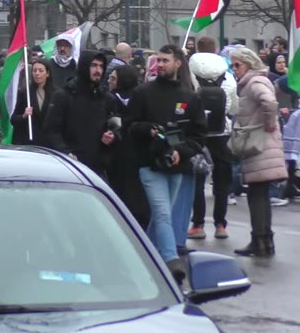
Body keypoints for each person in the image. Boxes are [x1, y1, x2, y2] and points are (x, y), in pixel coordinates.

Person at [125, 44, 205, 277]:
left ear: (177, 64)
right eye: (158, 60)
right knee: (161, 213)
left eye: (165, 61)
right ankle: (171, 260)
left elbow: (199, 136)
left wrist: (181, 150)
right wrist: (148, 129)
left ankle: (143, 255)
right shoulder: (143, 92)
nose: (159, 64)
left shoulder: (189, 97)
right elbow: (129, 126)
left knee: (163, 216)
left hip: (176, 166)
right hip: (149, 164)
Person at [228, 47, 287, 257]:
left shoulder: (254, 82)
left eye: (238, 65)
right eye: (232, 65)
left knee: (257, 195)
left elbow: (270, 102)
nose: (234, 69)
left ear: (249, 64)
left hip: (260, 144)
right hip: (259, 144)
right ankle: (263, 241)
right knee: (257, 194)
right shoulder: (251, 82)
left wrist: (269, 123)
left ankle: (260, 241)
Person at [187, 49, 237, 241]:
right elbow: (234, 107)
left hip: (199, 133)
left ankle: (198, 224)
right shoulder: (228, 80)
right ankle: (220, 224)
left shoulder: (192, 78)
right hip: (221, 133)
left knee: (198, 179)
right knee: (222, 181)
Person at [43, 51, 116, 177]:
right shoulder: (64, 95)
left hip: (98, 168)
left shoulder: (107, 98)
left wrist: (111, 135)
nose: (98, 70)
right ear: (84, 66)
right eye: (93, 65)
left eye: (101, 66)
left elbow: (115, 125)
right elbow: (52, 130)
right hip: (70, 166)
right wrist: (66, 153)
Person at [105, 65, 150, 229]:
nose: (109, 81)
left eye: (114, 78)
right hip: (116, 157)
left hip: (136, 154)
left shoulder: (140, 98)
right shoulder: (109, 99)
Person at [11, 60, 57, 147]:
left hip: (48, 144)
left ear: (47, 73)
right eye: (34, 70)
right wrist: (23, 115)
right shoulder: (25, 92)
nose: (37, 73)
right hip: (28, 142)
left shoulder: (56, 94)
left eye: (41, 70)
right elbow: (13, 119)